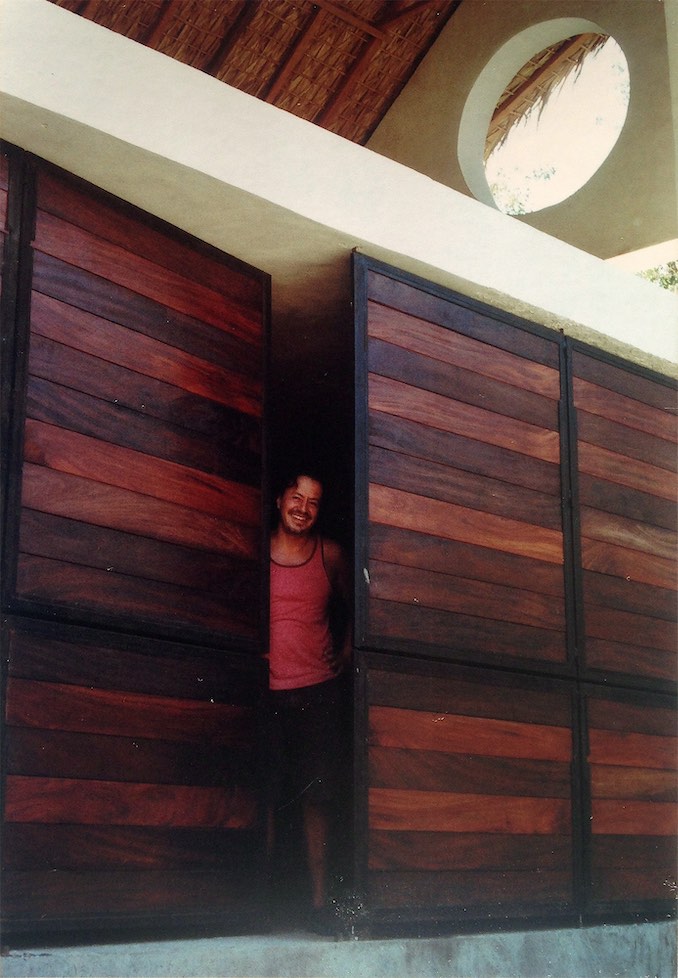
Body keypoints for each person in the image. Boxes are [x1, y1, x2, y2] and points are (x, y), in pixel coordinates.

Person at [266, 468, 352, 922]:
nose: (303, 508)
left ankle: (318, 903)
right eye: (296, 497)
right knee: (266, 795)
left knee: (317, 798)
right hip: (267, 693)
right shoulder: (256, 550)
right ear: (280, 499)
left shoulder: (330, 555)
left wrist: (347, 649)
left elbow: (361, 606)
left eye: (313, 502)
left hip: (317, 693)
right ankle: (259, 903)